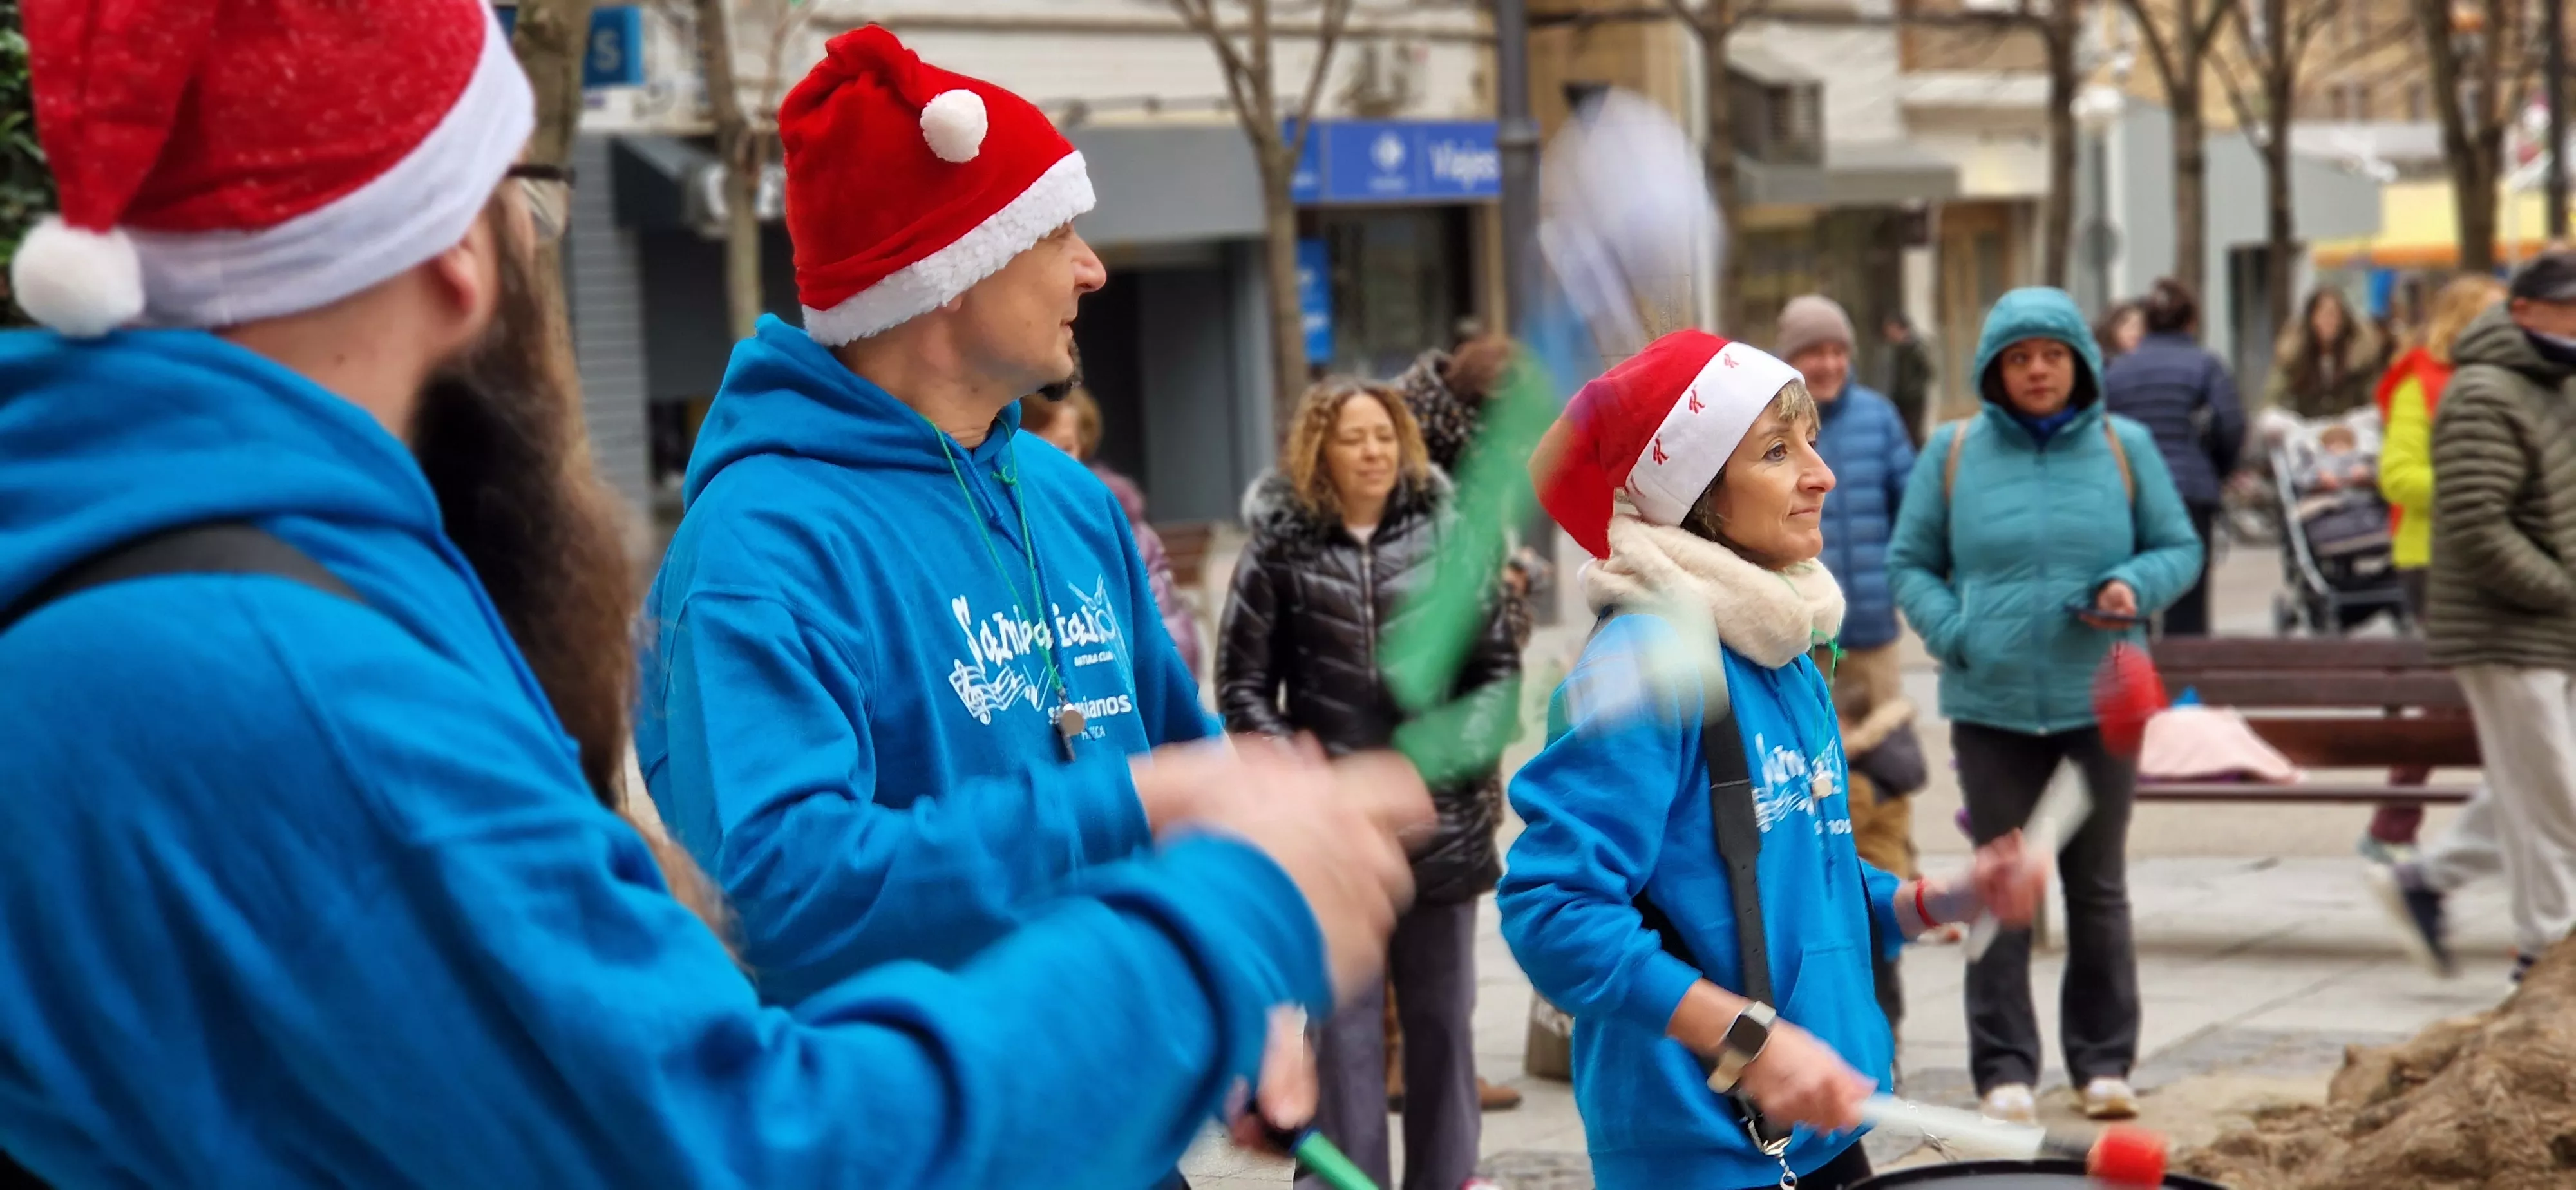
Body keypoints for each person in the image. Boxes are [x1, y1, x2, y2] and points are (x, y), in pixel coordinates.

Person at [0, 5, 1428, 1187]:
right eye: (521, 202)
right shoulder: (285, 669)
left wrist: (1214, 988)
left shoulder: (274, 589)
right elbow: (741, 1121)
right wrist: (1219, 919)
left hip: (1063, 1118)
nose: (1092, 266)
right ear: (452, 253)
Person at [634, 28, 1282, 1012]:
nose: (1093, 270)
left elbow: (1188, 775)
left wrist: (1243, 980)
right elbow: (777, 888)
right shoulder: (759, 549)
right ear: (948, 272)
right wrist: (1112, 808)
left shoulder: (1067, 496)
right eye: (1058, 233)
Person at [1499, 330, 2050, 1190]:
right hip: (1704, 1151)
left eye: (1813, 444)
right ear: (1698, 496)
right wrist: (1747, 1041)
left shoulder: (1780, 643)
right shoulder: (1643, 662)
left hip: (1826, 1121)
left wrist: (1929, 899)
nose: (1821, 476)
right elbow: (1553, 910)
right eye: (1776, 452)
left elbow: (1793, 868)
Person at [1888, 287, 2204, 1125]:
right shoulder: (1952, 452)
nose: (2037, 371)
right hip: (1990, 708)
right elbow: (1909, 562)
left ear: (2081, 364)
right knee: (2000, 889)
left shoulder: (2123, 446)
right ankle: (2003, 1070)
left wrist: (2132, 584)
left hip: (2100, 705)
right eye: (2020, 358)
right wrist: (1954, 632)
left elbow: (2180, 547)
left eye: (2052, 356)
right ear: (1994, 370)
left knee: (2097, 887)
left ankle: (2103, 1063)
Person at [1218, 380, 1524, 1190]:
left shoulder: (1450, 537)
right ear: (1319, 449)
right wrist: (1307, 774)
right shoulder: (1277, 549)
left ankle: (1448, 1179)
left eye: (1385, 436)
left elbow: (1495, 675)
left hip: (1438, 819)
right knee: (1344, 1032)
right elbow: (1242, 689)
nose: (1373, 451)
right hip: (1331, 833)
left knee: (1441, 1024)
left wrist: (1429, 758)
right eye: (1353, 437)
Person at [2421, 251, 2576, 987]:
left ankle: (2436, 887)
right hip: (2509, 628)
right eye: (2569, 306)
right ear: (2524, 313)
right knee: (2551, 797)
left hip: (2552, 626)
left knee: (2540, 789)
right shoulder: (2485, 391)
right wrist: (2559, 588)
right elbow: (2479, 525)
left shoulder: (2554, 381)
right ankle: (2545, 953)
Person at [1776, 295, 1928, 1040]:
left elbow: (1914, 514)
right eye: (1813, 353)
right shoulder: (1770, 428)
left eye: (1837, 350)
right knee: (1811, 809)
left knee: (1884, 796)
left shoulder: (1877, 419)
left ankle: (1884, 1015)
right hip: (1794, 642)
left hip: (1869, 642)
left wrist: (1903, 585)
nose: (1828, 365)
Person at [2363, 276, 2509, 952]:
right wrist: (2481, 483)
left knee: (2481, 714)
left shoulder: (2507, 380)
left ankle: (2406, 842)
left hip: (2492, 556)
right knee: (2465, 705)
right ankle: (2396, 830)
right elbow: (2397, 476)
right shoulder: (2419, 379)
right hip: (2434, 559)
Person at [1023, 386, 1206, 677]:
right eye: (1039, 449)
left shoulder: (1123, 527)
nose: (1055, 463)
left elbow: (1172, 642)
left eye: (1066, 448)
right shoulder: (998, 531)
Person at [2101, 278, 2243, 638]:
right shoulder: (2206, 365)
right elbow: (2232, 425)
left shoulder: (2117, 371)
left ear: (2147, 322)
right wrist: (2218, 471)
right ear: (2191, 322)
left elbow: (2099, 431)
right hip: (2190, 491)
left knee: (2133, 596)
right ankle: (2185, 686)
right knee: (2188, 601)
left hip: (2129, 495)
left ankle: (2139, 681)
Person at [2264, 286, 2386, 420]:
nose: (2328, 321)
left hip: (2350, 429)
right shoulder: (2295, 354)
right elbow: (2273, 397)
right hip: (2306, 429)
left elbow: (2374, 397)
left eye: (2333, 314)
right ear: (2311, 318)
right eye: (2321, 314)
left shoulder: (2361, 356)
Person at [1881, 310, 1935, 447]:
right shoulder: (1896, 350)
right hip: (1900, 400)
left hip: (1913, 401)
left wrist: (1912, 390)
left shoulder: (1916, 347)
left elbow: (1929, 372)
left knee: (1913, 435)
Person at [2093, 300, 2145, 364]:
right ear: (2113, 328)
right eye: (2131, 327)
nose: (2137, 333)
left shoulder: (2144, 360)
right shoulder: (2100, 361)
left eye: (2141, 327)